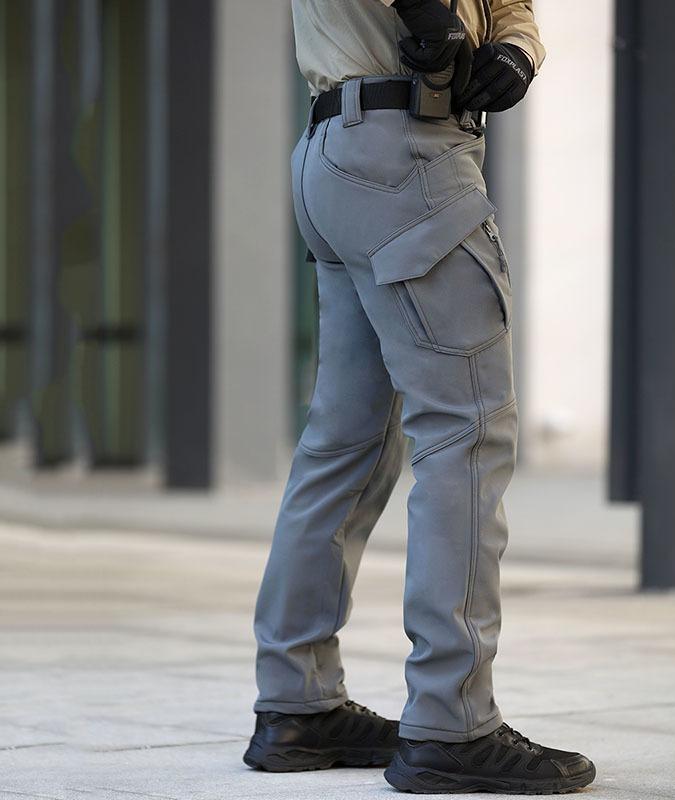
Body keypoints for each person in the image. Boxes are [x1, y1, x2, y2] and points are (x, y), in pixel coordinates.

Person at [243, 0, 596, 793]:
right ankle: (451, 721)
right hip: (405, 153)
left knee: (347, 439)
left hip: (343, 151)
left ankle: (298, 703)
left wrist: (517, 49)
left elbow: (510, 9)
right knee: (467, 433)